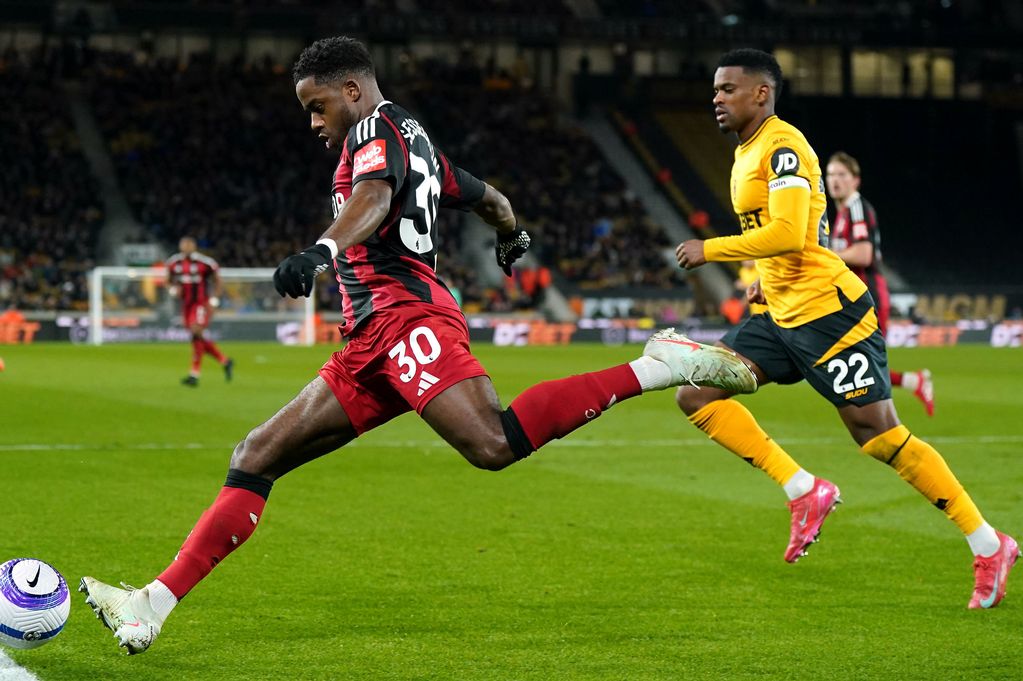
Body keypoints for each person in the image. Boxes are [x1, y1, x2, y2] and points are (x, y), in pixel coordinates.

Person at [79, 36, 756, 655]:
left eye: (317, 107)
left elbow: (373, 197)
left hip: (405, 320)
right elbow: (485, 195)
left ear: (351, 90)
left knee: (491, 443)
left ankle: (652, 365)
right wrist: (509, 232)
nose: (313, 123)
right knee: (255, 454)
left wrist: (320, 250)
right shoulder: (415, 140)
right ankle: (152, 602)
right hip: (368, 343)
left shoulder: (375, 132)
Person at [674, 48, 1017, 607]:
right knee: (697, 394)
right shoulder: (745, 152)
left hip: (830, 315)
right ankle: (803, 488)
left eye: (727, 88)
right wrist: (764, 275)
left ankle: (988, 543)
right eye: (715, 89)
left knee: (878, 436)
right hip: (781, 313)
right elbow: (810, 222)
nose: (716, 97)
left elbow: (787, 232)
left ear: (762, 92)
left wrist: (712, 249)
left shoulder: (784, 145)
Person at [825, 151, 934, 416]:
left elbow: (864, 255)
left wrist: (825, 256)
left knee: (864, 362)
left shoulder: (857, 208)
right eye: (830, 175)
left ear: (855, 181)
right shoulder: (841, 214)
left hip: (868, 296)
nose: (834, 180)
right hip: (851, 297)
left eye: (841, 174)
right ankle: (912, 384)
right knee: (853, 361)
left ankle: (885, 422)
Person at [165, 236, 233, 386]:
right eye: (184, 245)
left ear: (194, 246)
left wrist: (214, 299)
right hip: (186, 305)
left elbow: (217, 279)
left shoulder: (204, 263)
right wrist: (172, 289)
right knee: (197, 337)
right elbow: (168, 279)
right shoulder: (174, 263)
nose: (187, 247)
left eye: (189, 245)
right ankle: (225, 361)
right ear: (180, 246)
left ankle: (194, 374)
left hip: (200, 303)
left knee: (196, 331)